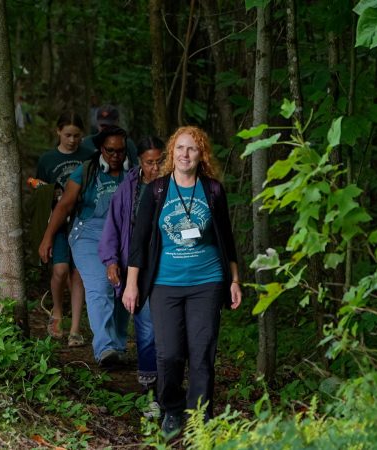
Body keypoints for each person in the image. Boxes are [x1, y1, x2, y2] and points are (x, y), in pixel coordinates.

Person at [123, 126, 242, 435]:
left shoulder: (213, 190)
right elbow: (139, 242)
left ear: (201, 155)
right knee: (169, 353)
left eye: (192, 149)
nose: (185, 154)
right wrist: (132, 283)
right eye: (180, 148)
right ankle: (172, 410)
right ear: (171, 153)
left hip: (208, 281)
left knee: (202, 353)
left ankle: (200, 416)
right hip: (165, 283)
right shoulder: (157, 190)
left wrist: (234, 280)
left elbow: (226, 240)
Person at [39, 126, 131, 367]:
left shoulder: (133, 173)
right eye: (110, 150)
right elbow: (64, 206)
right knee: (100, 286)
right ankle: (105, 349)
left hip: (123, 237)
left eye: (120, 151)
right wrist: (47, 237)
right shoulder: (86, 171)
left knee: (122, 289)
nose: (115, 156)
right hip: (89, 235)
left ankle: (118, 345)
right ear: (101, 149)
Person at [98, 136, 164, 416]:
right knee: (147, 329)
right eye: (150, 163)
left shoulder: (177, 186)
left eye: (161, 162)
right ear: (140, 163)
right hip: (138, 268)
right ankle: (151, 390)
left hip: (170, 267)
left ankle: (168, 388)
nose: (156, 168)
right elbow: (112, 225)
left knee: (170, 332)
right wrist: (111, 260)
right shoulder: (129, 189)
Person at [35, 112, 92, 347]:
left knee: (78, 274)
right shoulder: (47, 159)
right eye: (67, 135)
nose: (72, 140)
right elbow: (38, 188)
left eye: (77, 136)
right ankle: (57, 311)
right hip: (57, 221)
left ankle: (76, 328)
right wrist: (50, 192)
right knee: (60, 270)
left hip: (83, 221)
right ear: (58, 131)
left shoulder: (89, 157)